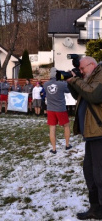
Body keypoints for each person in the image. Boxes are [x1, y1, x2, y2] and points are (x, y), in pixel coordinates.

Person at [66, 57, 102, 220]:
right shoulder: (90, 77)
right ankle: (95, 208)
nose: (81, 72)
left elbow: (94, 95)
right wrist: (72, 82)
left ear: (92, 65)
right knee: (90, 172)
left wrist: (76, 80)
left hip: (99, 131)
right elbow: (80, 95)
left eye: (82, 69)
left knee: (100, 174)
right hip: (91, 132)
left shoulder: (100, 74)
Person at [43, 67, 71, 154]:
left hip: (50, 109)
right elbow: (68, 90)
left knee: (52, 128)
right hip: (60, 109)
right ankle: (67, 145)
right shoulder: (61, 84)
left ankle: (54, 149)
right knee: (66, 126)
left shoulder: (45, 84)